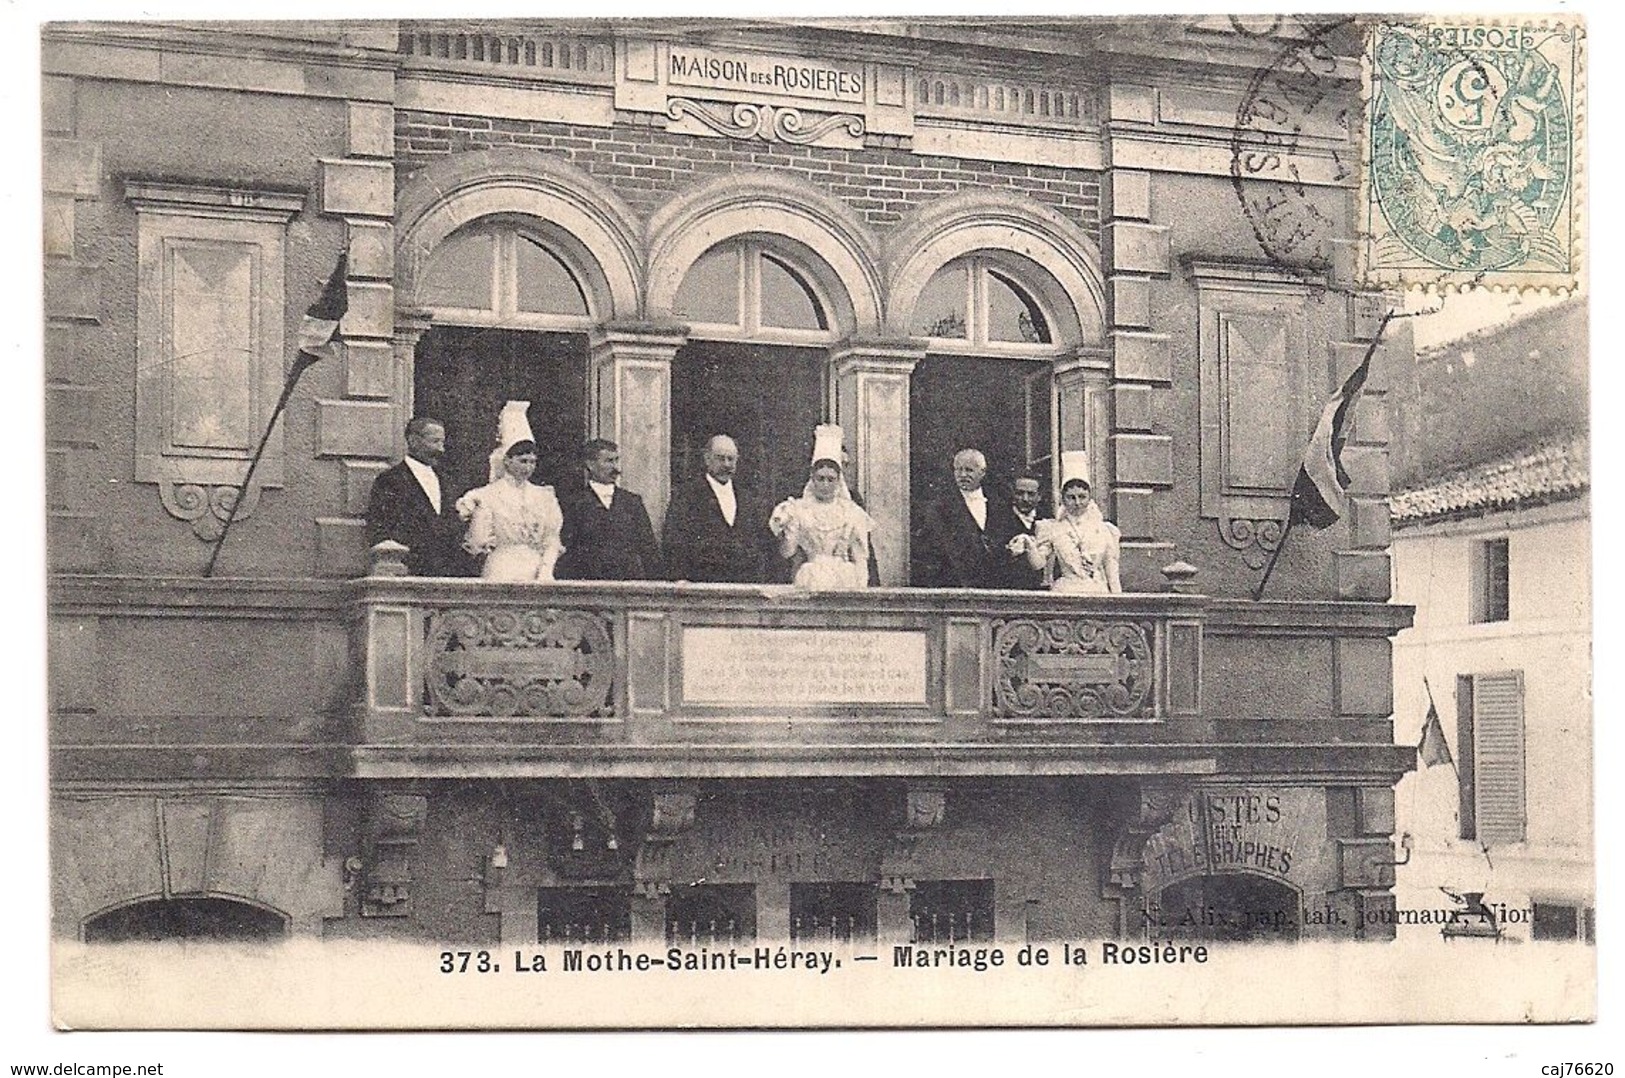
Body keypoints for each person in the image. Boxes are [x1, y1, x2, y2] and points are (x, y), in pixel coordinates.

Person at [454, 402, 564, 582]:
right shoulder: (486, 495)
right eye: (523, 461)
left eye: (532, 462)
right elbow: (478, 540)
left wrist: (546, 571)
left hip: (538, 569)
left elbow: (551, 538)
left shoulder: (544, 496)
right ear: (507, 461)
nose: (528, 467)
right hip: (501, 569)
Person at [768, 424, 874, 591]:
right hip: (809, 579)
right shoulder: (798, 509)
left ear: (839, 480)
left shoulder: (852, 512)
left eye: (830, 479)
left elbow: (861, 559)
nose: (825, 484)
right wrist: (785, 531)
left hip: (845, 582)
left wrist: (861, 593)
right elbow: (787, 552)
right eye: (820, 478)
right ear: (812, 478)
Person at [663, 434, 771, 583]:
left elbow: (760, 541)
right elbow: (675, 540)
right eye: (720, 458)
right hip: (703, 586)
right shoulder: (687, 495)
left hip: (742, 586)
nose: (726, 464)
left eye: (731, 459)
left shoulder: (748, 499)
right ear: (707, 459)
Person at [366, 416, 463, 576]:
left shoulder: (446, 480)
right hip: (408, 571)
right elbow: (379, 527)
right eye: (435, 442)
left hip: (446, 573)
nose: (441, 449)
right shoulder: (390, 480)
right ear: (413, 441)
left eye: (442, 442)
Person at [556, 438, 662, 580]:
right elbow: (567, 546)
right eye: (608, 461)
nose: (615, 468)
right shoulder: (574, 503)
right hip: (589, 582)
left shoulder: (632, 502)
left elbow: (648, 548)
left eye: (616, 460)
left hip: (628, 582)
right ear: (590, 465)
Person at [1017, 452, 1121, 594]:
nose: (1077, 503)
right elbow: (1038, 564)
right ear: (1063, 499)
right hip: (1066, 591)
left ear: (1089, 498)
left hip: (1098, 592)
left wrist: (1117, 602)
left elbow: (1112, 571)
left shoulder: (1104, 530)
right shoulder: (1053, 528)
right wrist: (1028, 544)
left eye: (1082, 497)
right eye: (1071, 497)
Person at [912, 448, 997, 588]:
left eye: (969, 470)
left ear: (982, 472)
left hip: (991, 585)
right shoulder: (939, 507)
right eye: (958, 470)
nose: (963, 475)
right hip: (954, 584)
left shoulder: (997, 503)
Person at [988, 472, 1047, 590]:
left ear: (1039, 496)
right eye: (1020, 493)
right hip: (1008, 589)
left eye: (1031, 494)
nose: (1025, 499)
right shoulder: (997, 520)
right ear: (1012, 493)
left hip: (1039, 591)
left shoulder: (1047, 520)